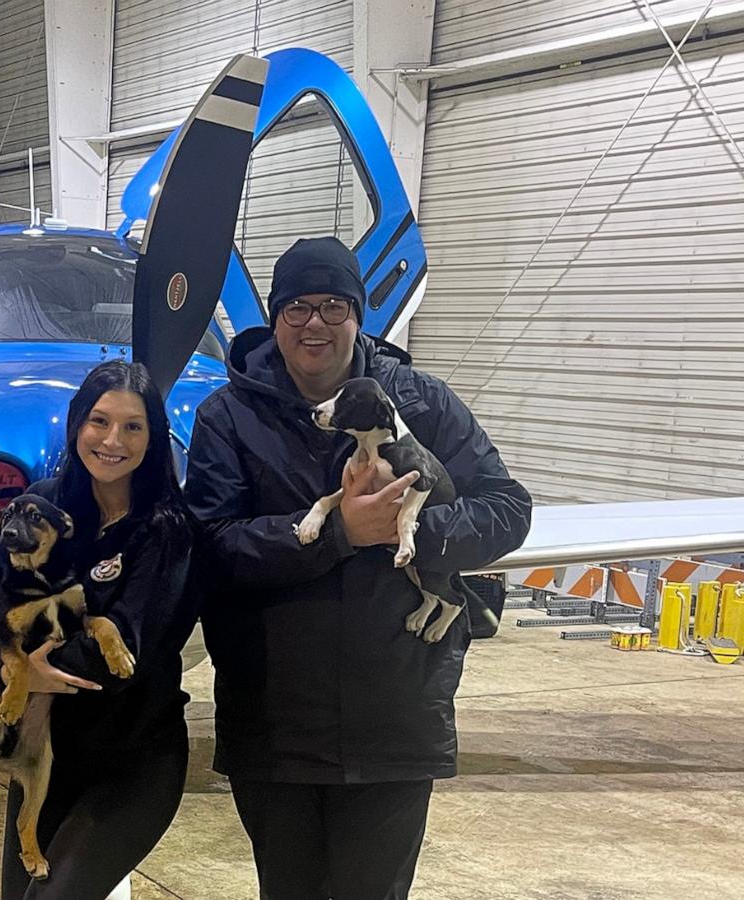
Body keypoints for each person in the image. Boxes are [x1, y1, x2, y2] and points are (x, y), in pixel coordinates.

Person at [184, 237, 533, 899]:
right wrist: (338, 532)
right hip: (276, 720)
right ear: (274, 318)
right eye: (296, 308)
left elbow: (507, 508)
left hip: (395, 715)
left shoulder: (422, 403)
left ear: (358, 314)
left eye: (333, 305)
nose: (314, 323)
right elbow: (211, 547)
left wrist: (411, 530)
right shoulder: (227, 418)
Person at [0, 360, 198, 900]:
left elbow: (126, 653)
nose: (113, 440)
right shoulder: (42, 504)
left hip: (132, 755)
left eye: (133, 426)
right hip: (45, 753)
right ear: (76, 426)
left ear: (153, 437)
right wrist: (1, 665)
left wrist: (33, 673)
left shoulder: (168, 529)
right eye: (99, 421)